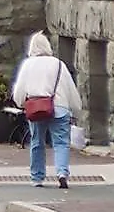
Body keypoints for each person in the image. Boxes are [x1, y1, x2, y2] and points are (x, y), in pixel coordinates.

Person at [14, 32, 81, 188]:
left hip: (37, 108)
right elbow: (70, 88)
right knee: (61, 143)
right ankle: (62, 173)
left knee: (37, 142)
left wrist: (20, 103)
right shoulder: (58, 64)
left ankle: (37, 177)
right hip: (59, 107)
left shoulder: (27, 65)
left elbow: (19, 91)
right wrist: (76, 109)